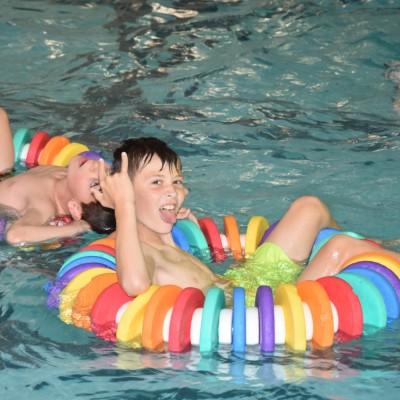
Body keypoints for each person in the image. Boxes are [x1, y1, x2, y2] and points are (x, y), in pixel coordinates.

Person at [91, 137, 400, 303]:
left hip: (248, 283)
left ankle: (377, 248)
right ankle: (373, 253)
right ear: (125, 196)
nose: (173, 191)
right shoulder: (135, 251)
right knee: (339, 248)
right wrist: (124, 206)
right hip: (264, 310)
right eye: (157, 183)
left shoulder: (162, 237)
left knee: (310, 207)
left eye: (177, 181)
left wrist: (168, 224)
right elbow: (133, 285)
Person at [0, 106, 110, 246]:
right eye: (108, 173)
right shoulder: (67, 174)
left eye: (94, 183)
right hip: (5, 175)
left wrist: (75, 227)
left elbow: (15, 236)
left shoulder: (44, 206)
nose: (97, 167)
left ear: (75, 208)